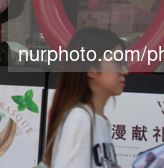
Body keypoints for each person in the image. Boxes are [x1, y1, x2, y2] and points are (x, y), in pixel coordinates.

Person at [44, 27, 128, 168]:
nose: (125, 71)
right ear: (90, 69)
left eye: (124, 63)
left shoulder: (97, 120)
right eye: (117, 62)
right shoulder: (80, 119)